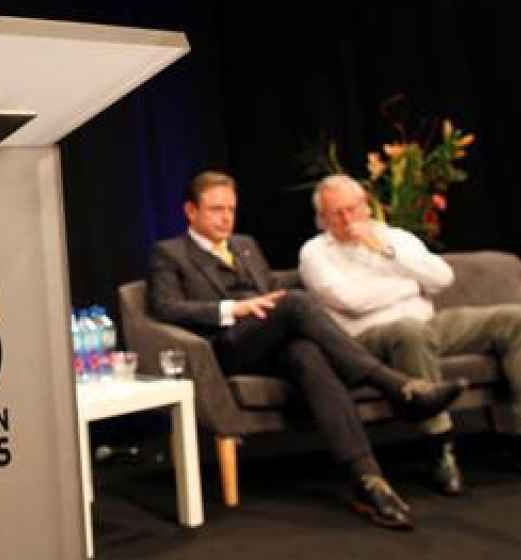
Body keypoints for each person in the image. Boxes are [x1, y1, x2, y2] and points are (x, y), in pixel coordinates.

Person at [148, 171, 465, 530]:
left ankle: (368, 480)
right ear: (190, 211)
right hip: (228, 346)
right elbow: (165, 307)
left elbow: (268, 292)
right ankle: (396, 386)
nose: (226, 218)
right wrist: (229, 310)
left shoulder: (245, 244)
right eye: (215, 210)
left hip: (272, 340)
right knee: (296, 303)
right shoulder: (169, 253)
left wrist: (268, 311)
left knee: (306, 354)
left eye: (231, 209)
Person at [299, 174, 521, 494]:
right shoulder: (315, 253)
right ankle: (439, 447)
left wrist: (387, 252)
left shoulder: (396, 239)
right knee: (410, 330)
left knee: (517, 319)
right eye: (337, 214)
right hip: (367, 340)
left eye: (352, 209)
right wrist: (410, 286)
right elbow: (351, 302)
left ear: (366, 207)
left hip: (430, 325)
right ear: (322, 219)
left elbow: (442, 278)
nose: (348, 219)